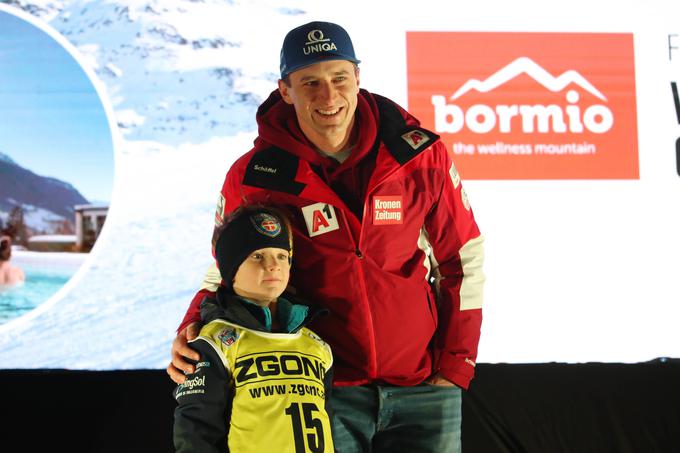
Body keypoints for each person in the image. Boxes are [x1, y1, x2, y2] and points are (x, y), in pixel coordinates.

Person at [169, 21, 485, 452]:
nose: (329, 96)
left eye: (339, 78)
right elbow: (228, 267)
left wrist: (455, 365)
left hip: (425, 387)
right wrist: (193, 327)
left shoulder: (419, 155)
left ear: (358, 76)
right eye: (309, 83)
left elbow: (462, 258)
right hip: (321, 390)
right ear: (285, 90)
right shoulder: (254, 176)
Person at [173, 205, 334, 453]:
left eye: (281, 256)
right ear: (230, 268)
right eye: (257, 256)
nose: (273, 266)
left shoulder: (318, 346)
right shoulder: (215, 343)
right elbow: (195, 431)